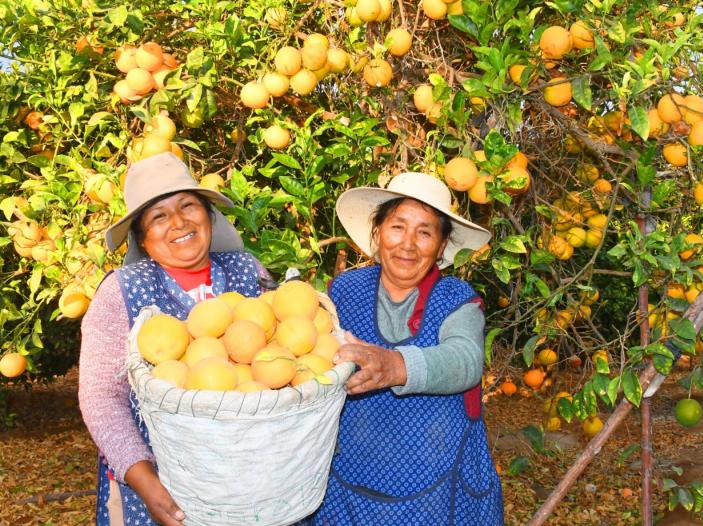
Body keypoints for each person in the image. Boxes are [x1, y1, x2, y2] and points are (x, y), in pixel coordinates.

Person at [78, 153, 271, 526]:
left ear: (208, 215)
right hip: (157, 486)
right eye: (159, 216)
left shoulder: (249, 272)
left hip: (249, 482)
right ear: (142, 237)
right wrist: (143, 478)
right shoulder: (122, 292)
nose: (179, 223)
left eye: (188, 206)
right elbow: (101, 397)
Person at [311, 172, 504, 525]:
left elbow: (465, 360)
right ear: (378, 232)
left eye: (425, 232)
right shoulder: (344, 290)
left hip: (437, 491)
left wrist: (395, 366)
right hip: (348, 489)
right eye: (397, 227)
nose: (408, 244)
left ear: (442, 245)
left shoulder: (457, 299)